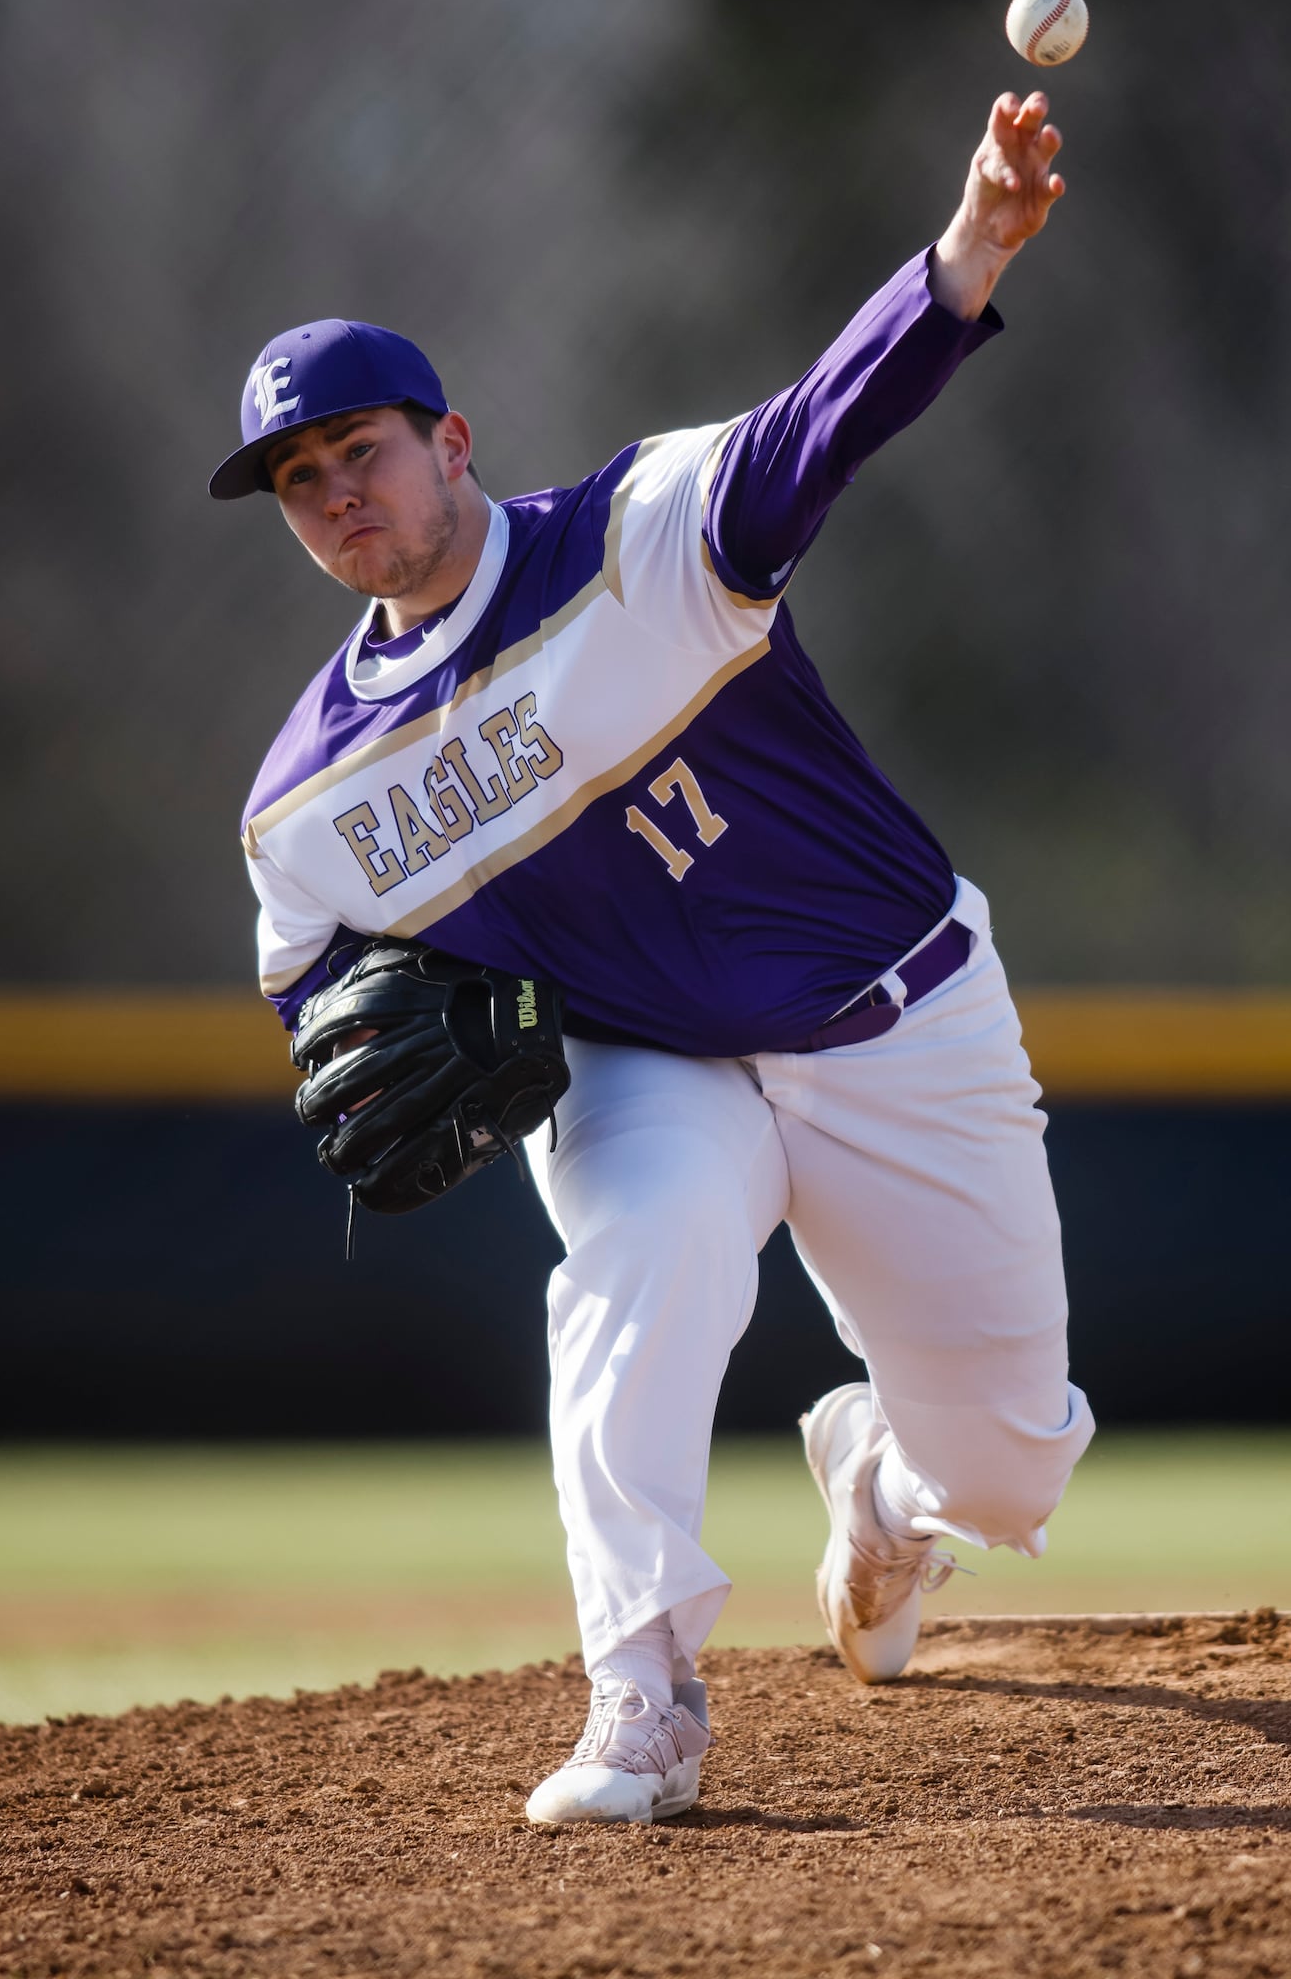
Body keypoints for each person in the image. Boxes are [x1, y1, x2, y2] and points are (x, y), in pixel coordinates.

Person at [215, 88, 1095, 1826]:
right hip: (643, 1068)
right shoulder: (309, 800)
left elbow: (821, 427)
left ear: (451, 441)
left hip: (891, 1010)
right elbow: (311, 981)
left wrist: (971, 252)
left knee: (1009, 1471)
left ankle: (884, 1488)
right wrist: (355, 1039)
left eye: (359, 451)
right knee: (639, 1257)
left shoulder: (646, 537)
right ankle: (642, 1695)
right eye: (300, 485)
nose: (336, 498)